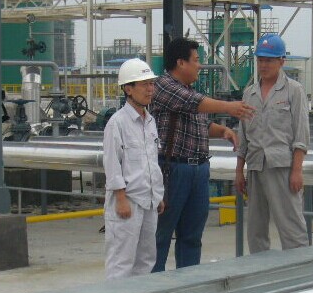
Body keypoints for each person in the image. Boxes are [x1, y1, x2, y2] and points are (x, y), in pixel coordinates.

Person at [150, 37, 256, 272]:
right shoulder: (163, 86)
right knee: (161, 235)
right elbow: (193, 103)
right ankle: (154, 286)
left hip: (198, 170)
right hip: (172, 170)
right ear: (181, 63)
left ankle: (188, 282)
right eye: (196, 60)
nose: (200, 66)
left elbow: (200, 124)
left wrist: (223, 131)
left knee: (192, 236)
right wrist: (229, 107)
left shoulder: (190, 92)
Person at [235, 34, 310, 254]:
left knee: (291, 227)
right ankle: (261, 270)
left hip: (282, 168)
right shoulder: (249, 93)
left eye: (269, 60)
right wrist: (239, 171)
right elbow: (243, 137)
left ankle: (299, 270)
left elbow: (301, 134)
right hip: (255, 166)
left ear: (281, 61)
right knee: (255, 229)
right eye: (260, 60)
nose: (263, 65)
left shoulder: (293, 90)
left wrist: (297, 170)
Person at [103, 58, 165, 279]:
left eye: (152, 84)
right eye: (144, 84)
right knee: (121, 262)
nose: (150, 89)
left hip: (148, 200)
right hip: (128, 201)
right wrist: (120, 199)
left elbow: (151, 160)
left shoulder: (150, 121)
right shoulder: (117, 123)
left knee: (146, 259)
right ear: (128, 89)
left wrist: (157, 195)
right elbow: (112, 164)